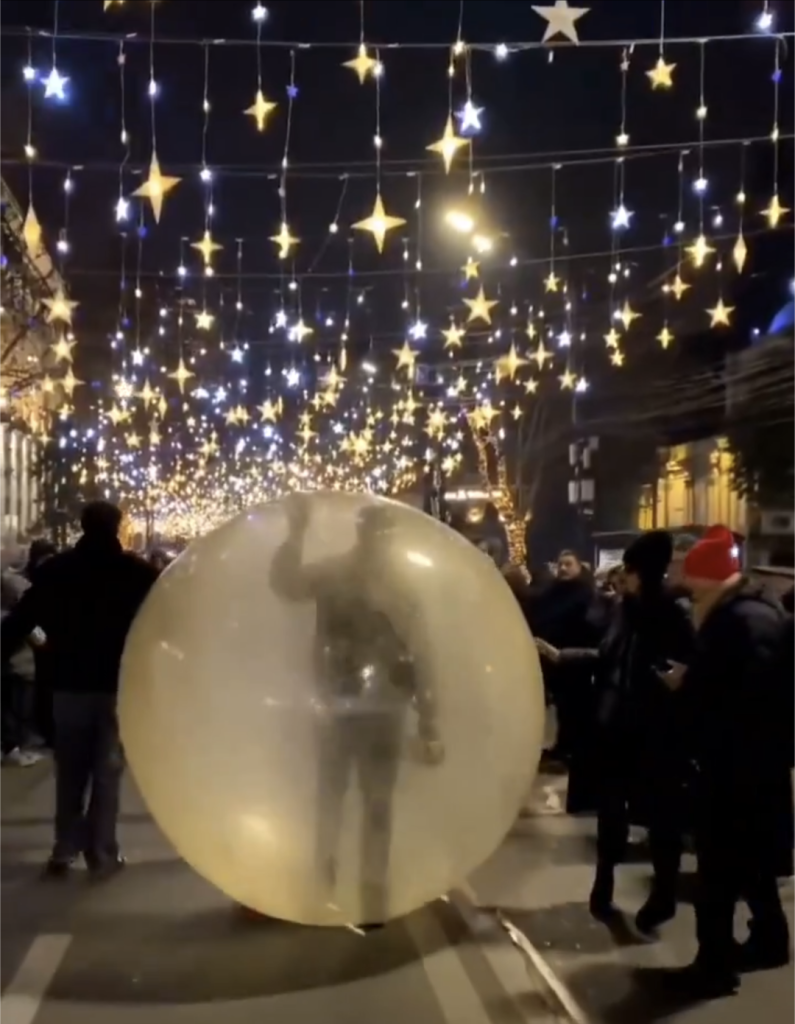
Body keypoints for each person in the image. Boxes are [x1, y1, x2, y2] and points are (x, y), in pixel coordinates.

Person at [270, 495, 442, 925]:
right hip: (350, 705)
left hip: (369, 707)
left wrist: (429, 718)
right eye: (377, 532)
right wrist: (294, 534)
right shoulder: (364, 578)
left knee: (363, 800)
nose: (380, 540)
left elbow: (420, 653)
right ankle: (345, 887)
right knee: (344, 799)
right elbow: (287, 584)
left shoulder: (397, 584)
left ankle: (359, 888)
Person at [537, 530, 694, 932]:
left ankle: (661, 896)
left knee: (660, 817)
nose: (624, 576)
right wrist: (561, 655)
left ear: (644, 571)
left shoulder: (672, 614)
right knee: (611, 809)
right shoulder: (624, 609)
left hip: (655, 731)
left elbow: (684, 671)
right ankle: (604, 882)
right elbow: (607, 656)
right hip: (614, 725)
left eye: (630, 569)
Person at [0, 501, 157, 878]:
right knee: (107, 771)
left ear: (82, 526)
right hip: (118, 685)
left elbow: (25, 621)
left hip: (67, 684)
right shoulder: (136, 574)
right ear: (117, 527)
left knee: (70, 771)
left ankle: (64, 849)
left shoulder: (57, 571)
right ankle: (102, 853)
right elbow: (161, 624)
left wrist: (43, 645)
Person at [671, 526, 792, 997]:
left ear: (709, 578)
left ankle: (715, 965)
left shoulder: (737, 621)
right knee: (754, 863)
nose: (685, 584)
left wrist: (690, 690)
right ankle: (770, 940)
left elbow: (749, 697)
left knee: (718, 872)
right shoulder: (747, 613)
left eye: (692, 575)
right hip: (752, 766)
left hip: (737, 768)